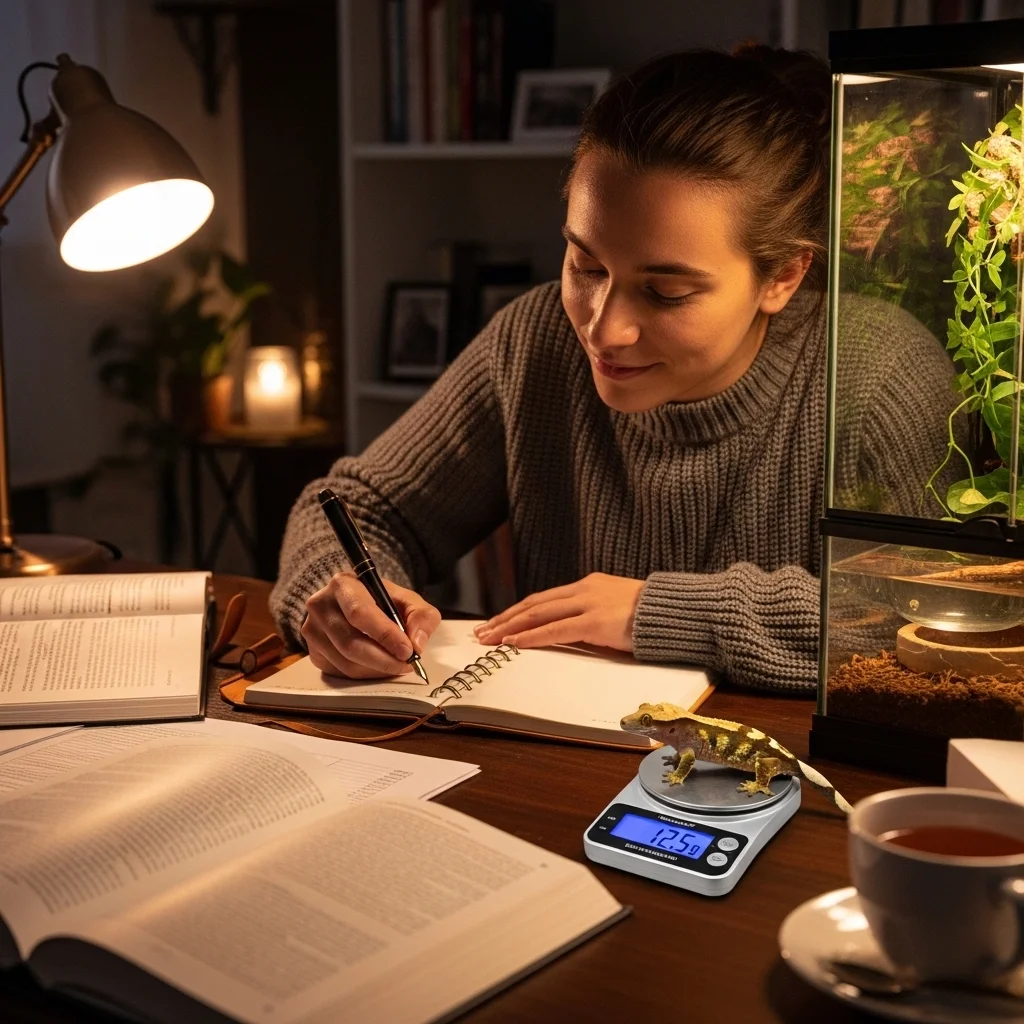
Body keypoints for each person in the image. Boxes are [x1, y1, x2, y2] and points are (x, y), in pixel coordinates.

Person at [270, 45, 956, 692]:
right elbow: (359, 509)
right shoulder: (534, 340)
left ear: (782, 276)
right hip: (559, 764)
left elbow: (934, 616)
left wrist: (650, 613)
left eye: (666, 292)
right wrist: (342, 599)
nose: (604, 328)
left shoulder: (879, 375)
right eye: (586, 265)